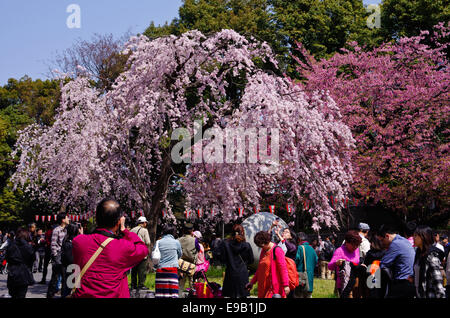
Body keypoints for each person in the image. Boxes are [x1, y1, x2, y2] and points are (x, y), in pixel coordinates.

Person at [71, 199, 148, 298]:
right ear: (118, 222)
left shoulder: (78, 242)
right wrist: (125, 231)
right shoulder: (122, 247)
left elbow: (73, 268)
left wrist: (72, 289)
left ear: (96, 218)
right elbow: (143, 249)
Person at [246, 231, 290, 298]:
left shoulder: (277, 250)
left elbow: (283, 269)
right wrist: (252, 282)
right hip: (262, 288)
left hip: (273, 288)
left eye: (261, 245)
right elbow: (260, 269)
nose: (261, 247)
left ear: (267, 242)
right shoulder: (263, 251)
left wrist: (286, 285)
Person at [214, 224, 254, 298]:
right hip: (243, 274)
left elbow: (222, 259)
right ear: (242, 233)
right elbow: (251, 260)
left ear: (232, 232)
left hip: (230, 273)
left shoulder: (225, 244)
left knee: (230, 296)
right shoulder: (246, 245)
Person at [376, 224, 415, 298]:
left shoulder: (396, 244)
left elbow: (383, 264)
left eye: (382, 240)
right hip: (409, 281)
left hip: (402, 283)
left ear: (387, 236)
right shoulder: (403, 240)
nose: (382, 243)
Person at [412, 226, 446, 298]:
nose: (413, 238)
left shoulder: (431, 255)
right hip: (419, 294)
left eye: (415, 235)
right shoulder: (419, 253)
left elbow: (437, 280)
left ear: (424, 237)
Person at [328, 230, 361, 297]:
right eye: (353, 245)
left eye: (357, 245)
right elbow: (330, 266)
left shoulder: (356, 250)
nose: (355, 247)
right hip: (344, 284)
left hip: (356, 283)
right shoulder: (339, 251)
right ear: (346, 242)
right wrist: (336, 263)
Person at [153, 224, 182, 298]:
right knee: (173, 294)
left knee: (160, 294)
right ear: (173, 232)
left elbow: (154, 255)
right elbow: (180, 254)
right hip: (172, 271)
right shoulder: (176, 242)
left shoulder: (158, 242)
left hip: (160, 271)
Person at [5, 228, 35, 298]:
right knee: (22, 294)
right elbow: (32, 259)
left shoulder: (11, 245)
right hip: (24, 273)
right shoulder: (29, 247)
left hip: (13, 273)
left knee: (13, 294)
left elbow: (7, 258)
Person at [47, 213, 70, 298]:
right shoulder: (56, 230)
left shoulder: (67, 230)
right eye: (67, 218)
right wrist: (56, 255)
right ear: (63, 220)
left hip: (65, 255)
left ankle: (63, 295)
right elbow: (53, 244)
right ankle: (50, 295)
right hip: (58, 256)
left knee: (64, 278)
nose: (69, 219)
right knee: (55, 277)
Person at [61, 223, 83, 298]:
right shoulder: (77, 241)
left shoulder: (66, 240)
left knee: (68, 288)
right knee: (74, 289)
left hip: (68, 266)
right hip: (74, 267)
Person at [130, 216, 151, 292]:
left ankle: (133, 284)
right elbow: (148, 242)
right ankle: (141, 285)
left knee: (134, 270)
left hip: (133, 252)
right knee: (142, 269)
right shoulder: (144, 230)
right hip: (141, 253)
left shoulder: (132, 230)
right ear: (144, 223)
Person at [294, 232, 318, 298]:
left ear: (299, 239)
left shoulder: (300, 248)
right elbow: (316, 261)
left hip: (301, 278)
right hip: (310, 279)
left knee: (298, 296)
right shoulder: (312, 249)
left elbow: (295, 261)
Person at [177, 223, 198, 297]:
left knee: (180, 285)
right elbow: (198, 249)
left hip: (180, 265)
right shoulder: (194, 240)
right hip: (191, 265)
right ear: (192, 231)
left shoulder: (178, 240)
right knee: (192, 285)